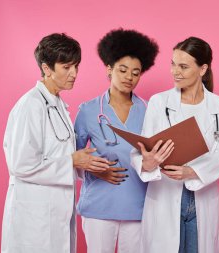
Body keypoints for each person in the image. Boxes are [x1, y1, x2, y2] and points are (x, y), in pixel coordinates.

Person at [1, 33, 111, 253]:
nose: (74, 74)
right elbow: (20, 165)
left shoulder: (58, 105)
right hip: (34, 217)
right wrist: (72, 160)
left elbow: (57, 153)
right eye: (66, 67)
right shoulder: (31, 105)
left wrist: (85, 164)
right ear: (47, 68)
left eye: (76, 66)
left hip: (56, 212)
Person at [131, 36, 219, 253]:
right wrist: (146, 162)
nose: (175, 71)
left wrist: (192, 171)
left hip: (201, 196)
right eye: (173, 64)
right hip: (165, 194)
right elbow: (141, 150)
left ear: (202, 69)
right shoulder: (159, 103)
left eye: (183, 66)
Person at [74, 28, 159, 253]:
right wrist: (93, 170)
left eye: (135, 72)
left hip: (137, 207)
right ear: (109, 70)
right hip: (99, 206)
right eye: (122, 70)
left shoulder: (151, 111)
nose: (129, 77)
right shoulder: (88, 111)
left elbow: (155, 156)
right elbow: (73, 158)